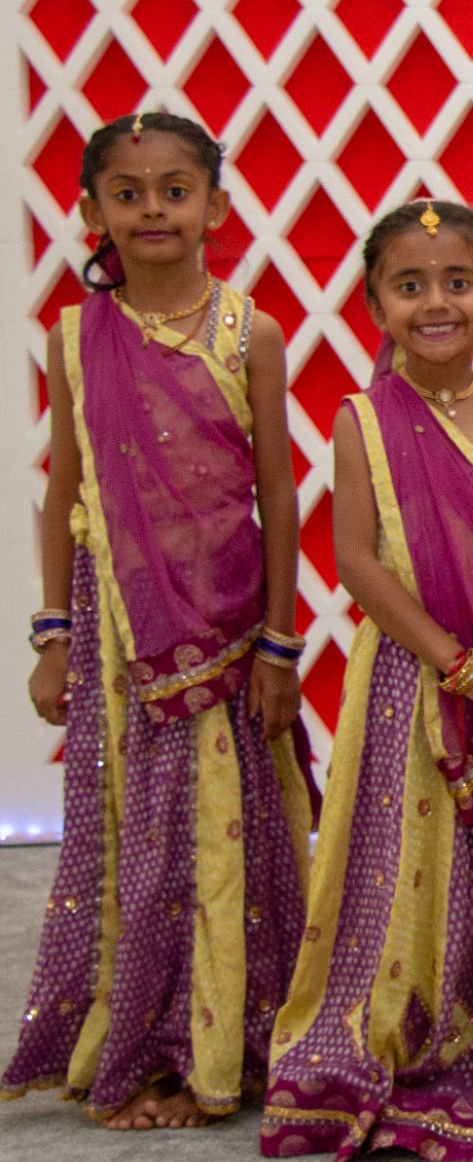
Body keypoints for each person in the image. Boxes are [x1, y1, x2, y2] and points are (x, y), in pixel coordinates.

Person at [3, 111, 315, 1130]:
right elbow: (65, 494)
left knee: (232, 840)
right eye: (127, 192)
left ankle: (231, 1042)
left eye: (175, 190)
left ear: (214, 207)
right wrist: (52, 637)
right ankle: (143, 1046)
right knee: (140, 843)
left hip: (230, 628)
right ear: (91, 211)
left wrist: (279, 644)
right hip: (120, 635)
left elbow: (276, 495)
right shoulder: (75, 337)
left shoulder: (250, 332)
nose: (152, 209)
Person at [262, 199, 473, 1159]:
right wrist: (468, 671)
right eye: (410, 285)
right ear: (375, 306)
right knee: (408, 867)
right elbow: (358, 561)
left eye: (458, 281)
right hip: (414, 689)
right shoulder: (362, 420)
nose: (436, 302)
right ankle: (409, 1030)